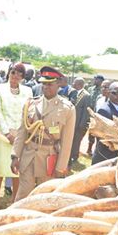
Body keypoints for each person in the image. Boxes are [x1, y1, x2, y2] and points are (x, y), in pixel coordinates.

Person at [11, 66, 75, 200]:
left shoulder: (67, 108)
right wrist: (15, 156)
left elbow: (67, 141)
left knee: (43, 198)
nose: (46, 87)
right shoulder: (31, 103)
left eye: (50, 84)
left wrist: (61, 167)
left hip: (49, 159)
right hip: (29, 156)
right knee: (23, 195)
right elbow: (22, 131)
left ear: (58, 84)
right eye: (44, 84)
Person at [0, 63, 33, 209]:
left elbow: (29, 112)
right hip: (2, 134)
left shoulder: (28, 91)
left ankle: (15, 199)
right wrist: (7, 132)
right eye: (13, 72)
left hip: (20, 136)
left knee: (16, 169)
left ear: (23, 77)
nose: (15, 76)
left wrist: (19, 133)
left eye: (20, 74)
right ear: (9, 72)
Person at [92, 82, 118, 165]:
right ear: (109, 93)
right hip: (105, 156)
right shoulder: (104, 110)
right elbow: (101, 137)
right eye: (115, 93)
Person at [69, 77, 91, 165]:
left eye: (74, 82)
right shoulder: (73, 93)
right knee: (71, 140)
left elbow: (86, 112)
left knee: (76, 141)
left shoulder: (86, 95)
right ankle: (70, 155)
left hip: (79, 124)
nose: (73, 84)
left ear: (79, 84)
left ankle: (74, 157)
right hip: (72, 122)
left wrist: (81, 125)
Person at [86, 74, 104, 156]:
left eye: (97, 79)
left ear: (101, 81)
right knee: (90, 132)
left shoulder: (103, 91)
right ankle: (89, 149)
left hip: (98, 115)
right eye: (95, 79)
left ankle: (97, 150)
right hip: (89, 113)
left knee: (97, 133)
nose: (95, 81)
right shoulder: (90, 89)